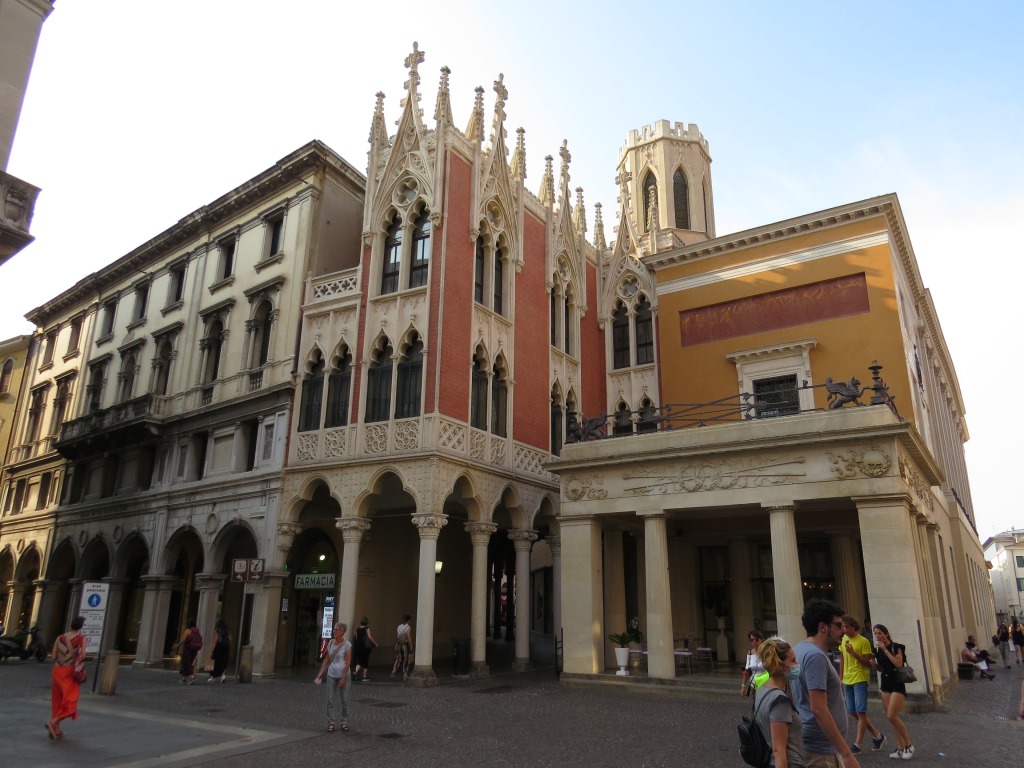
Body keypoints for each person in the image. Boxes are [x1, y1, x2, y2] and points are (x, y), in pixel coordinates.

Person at [791, 598, 861, 767]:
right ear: (823, 627)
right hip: (821, 752)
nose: (843, 630)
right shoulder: (816, 656)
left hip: (812, 743)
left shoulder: (798, 649)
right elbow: (819, 708)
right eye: (838, 625)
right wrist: (846, 753)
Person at [754, 636, 806, 768]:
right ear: (780, 665)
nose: (796, 664)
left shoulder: (762, 689)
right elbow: (779, 751)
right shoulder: (779, 700)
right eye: (793, 661)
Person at [838, 616, 885, 754]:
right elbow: (842, 658)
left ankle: (857, 744)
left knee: (861, 711)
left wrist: (853, 653)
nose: (845, 629)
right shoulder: (844, 639)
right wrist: (841, 677)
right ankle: (877, 736)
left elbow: (867, 663)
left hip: (860, 678)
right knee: (852, 711)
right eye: (843, 627)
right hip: (847, 678)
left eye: (847, 627)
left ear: (854, 627)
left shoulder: (863, 641)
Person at [872, 624, 915, 759]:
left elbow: (898, 664)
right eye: (875, 634)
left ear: (886, 634)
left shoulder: (897, 647)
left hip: (897, 683)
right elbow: (882, 668)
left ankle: (909, 745)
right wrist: (875, 665)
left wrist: (885, 649)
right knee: (891, 719)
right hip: (885, 683)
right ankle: (899, 748)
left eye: (880, 633)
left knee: (892, 715)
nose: (878, 636)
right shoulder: (877, 650)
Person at [48, 615, 86, 740]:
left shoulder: (60, 637)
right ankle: (53, 722)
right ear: (81, 626)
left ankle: (56, 729)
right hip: (69, 672)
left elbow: (53, 656)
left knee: (57, 700)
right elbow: (83, 656)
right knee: (71, 700)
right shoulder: (81, 638)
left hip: (57, 670)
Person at [314, 622, 352, 732]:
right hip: (331, 674)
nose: (333, 631)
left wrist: (343, 677)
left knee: (344, 699)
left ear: (342, 631)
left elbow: (348, 662)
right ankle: (331, 721)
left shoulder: (347, 645)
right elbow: (327, 659)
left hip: (344, 674)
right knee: (329, 699)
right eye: (334, 629)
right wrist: (320, 674)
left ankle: (344, 721)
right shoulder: (330, 643)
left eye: (336, 629)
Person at [173, 619, 203, 685]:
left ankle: (192, 677)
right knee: (187, 664)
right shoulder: (197, 631)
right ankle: (184, 678)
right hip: (194, 650)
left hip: (188, 650)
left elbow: (183, 641)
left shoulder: (188, 631)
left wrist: (177, 646)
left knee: (187, 664)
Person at [353, 616, 378, 682]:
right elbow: (369, 637)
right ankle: (364, 677)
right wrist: (375, 643)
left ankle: (355, 672)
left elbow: (356, 638)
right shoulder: (367, 628)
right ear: (367, 622)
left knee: (359, 662)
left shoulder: (357, 629)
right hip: (365, 647)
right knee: (365, 662)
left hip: (358, 647)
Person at [742, 630, 766, 697]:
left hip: (766, 686)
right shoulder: (749, 653)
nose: (754, 641)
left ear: (761, 640)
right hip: (754, 686)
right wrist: (743, 686)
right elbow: (747, 671)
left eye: (756, 639)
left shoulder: (767, 652)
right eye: (752, 640)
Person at [391, 613, 413, 682]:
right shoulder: (408, 627)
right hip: (404, 645)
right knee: (406, 658)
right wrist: (411, 644)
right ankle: (405, 674)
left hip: (398, 644)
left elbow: (398, 636)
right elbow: (408, 636)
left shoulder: (399, 626)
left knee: (398, 658)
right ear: (408, 620)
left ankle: (394, 670)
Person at [208, 618, 230, 683]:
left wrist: (211, 650)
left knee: (214, 662)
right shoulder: (227, 630)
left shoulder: (217, 630)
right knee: (223, 663)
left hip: (218, 648)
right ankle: (223, 676)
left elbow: (215, 641)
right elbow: (230, 639)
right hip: (226, 649)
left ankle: (213, 676)